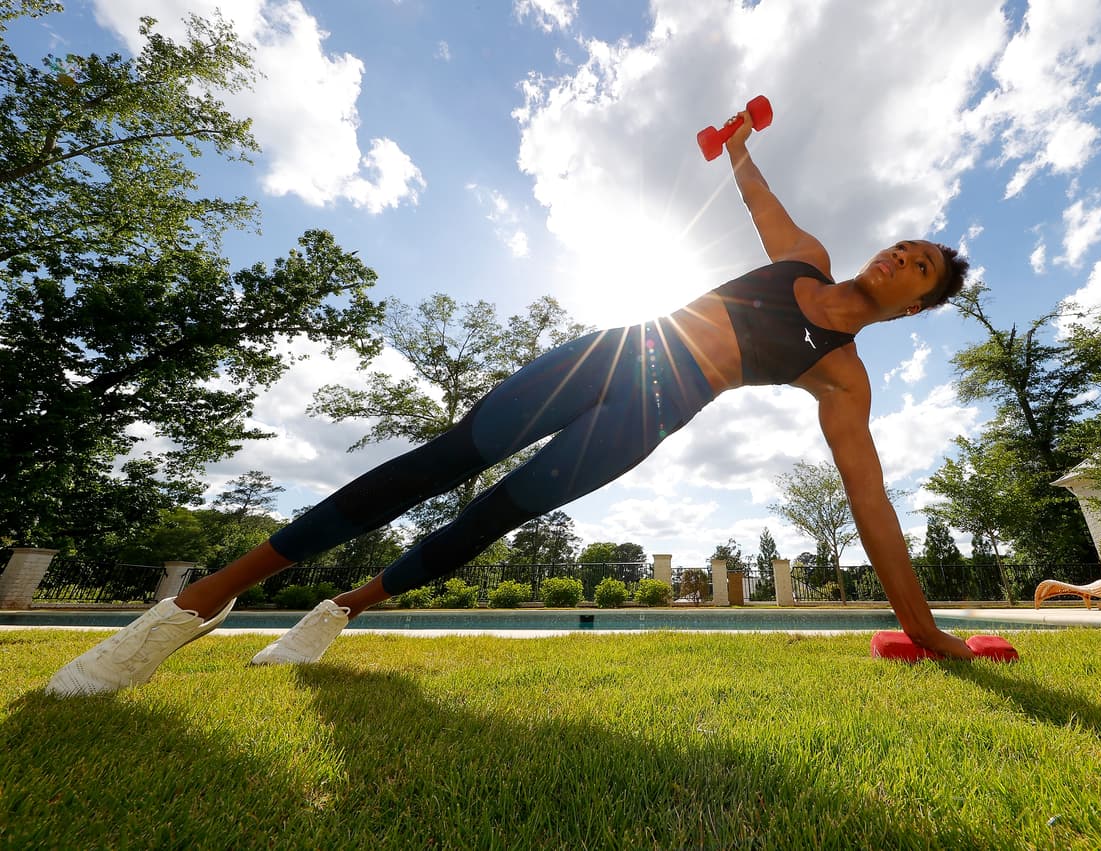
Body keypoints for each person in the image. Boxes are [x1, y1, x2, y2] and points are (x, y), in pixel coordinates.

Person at [47, 108, 975, 697]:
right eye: (905, 242)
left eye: (920, 265)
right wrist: (737, 146)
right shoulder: (804, 253)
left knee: (490, 517)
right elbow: (759, 195)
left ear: (917, 306)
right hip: (616, 349)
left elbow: (871, 504)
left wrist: (924, 627)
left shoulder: (844, 375)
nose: (900, 253)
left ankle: (343, 608)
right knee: (445, 458)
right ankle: (196, 606)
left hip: (649, 414)